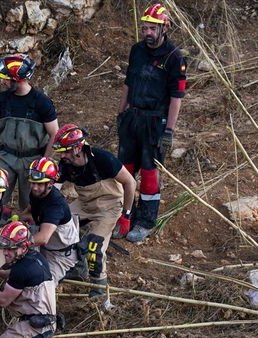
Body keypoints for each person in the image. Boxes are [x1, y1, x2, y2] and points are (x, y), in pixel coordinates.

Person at [117, 3, 186, 242]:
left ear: (163, 28)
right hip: (132, 118)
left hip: (155, 122)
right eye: (144, 27)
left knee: (149, 173)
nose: (147, 32)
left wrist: (169, 131)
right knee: (124, 170)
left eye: (151, 28)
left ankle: (145, 222)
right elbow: (128, 82)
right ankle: (125, 215)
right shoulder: (136, 50)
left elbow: (176, 98)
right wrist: (120, 113)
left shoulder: (174, 57)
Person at [53, 124, 137, 296]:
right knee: (57, 226)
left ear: (78, 147)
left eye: (66, 151)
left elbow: (130, 183)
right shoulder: (65, 164)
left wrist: (126, 215)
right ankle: (76, 267)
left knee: (94, 247)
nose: (62, 156)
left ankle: (98, 287)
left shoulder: (102, 158)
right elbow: (53, 190)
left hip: (110, 206)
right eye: (60, 151)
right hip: (85, 203)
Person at [0, 54, 59, 209]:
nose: (2, 82)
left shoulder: (41, 102)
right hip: (5, 156)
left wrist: (43, 163)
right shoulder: (2, 99)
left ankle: (26, 230)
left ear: (17, 79)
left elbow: (55, 134)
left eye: (6, 79)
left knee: (32, 203)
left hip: (32, 159)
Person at [24, 157, 80, 283]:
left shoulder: (55, 204)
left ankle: (74, 269)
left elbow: (43, 237)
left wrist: (18, 243)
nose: (34, 187)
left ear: (50, 183)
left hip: (60, 255)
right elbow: (28, 211)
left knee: (42, 285)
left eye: (39, 184)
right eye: (32, 182)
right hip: (44, 247)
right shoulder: (37, 193)